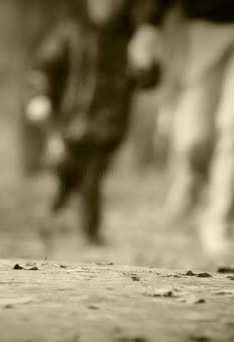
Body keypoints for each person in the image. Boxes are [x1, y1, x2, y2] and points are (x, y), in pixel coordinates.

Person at [130, 0, 234, 258]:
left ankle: (220, 222)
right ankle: (190, 187)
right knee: (194, 136)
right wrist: (149, 25)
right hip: (202, 27)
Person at [24, 0, 159, 245]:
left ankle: (90, 231)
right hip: (71, 120)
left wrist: (146, 68)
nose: (105, 6)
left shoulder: (130, 37)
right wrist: (39, 96)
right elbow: (43, 67)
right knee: (66, 168)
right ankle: (56, 208)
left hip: (109, 123)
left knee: (93, 176)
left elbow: (148, 79)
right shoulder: (70, 32)